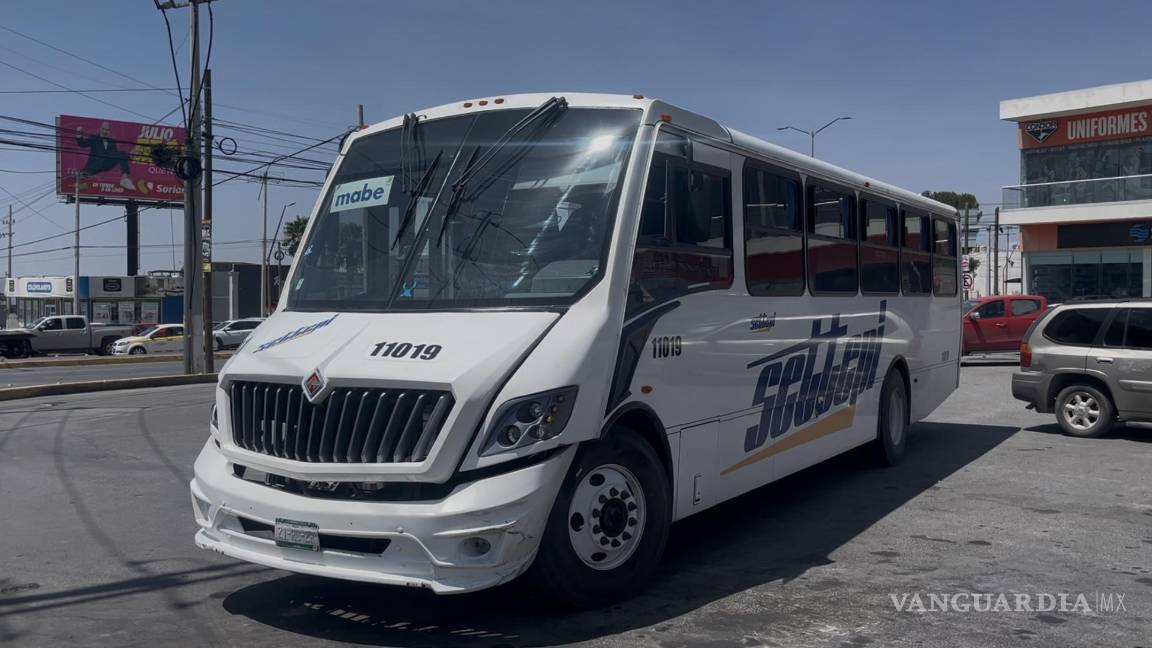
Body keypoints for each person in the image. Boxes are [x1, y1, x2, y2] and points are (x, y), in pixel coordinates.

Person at [74, 122, 136, 191]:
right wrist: (79, 136)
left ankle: (124, 179)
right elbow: (83, 145)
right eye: (104, 129)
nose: (105, 132)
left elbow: (115, 155)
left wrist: (128, 156)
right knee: (80, 178)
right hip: (95, 164)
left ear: (109, 131)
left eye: (107, 130)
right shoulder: (94, 137)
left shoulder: (112, 141)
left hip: (107, 164)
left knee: (122, 154)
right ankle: (81, 179)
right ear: (100, 129)